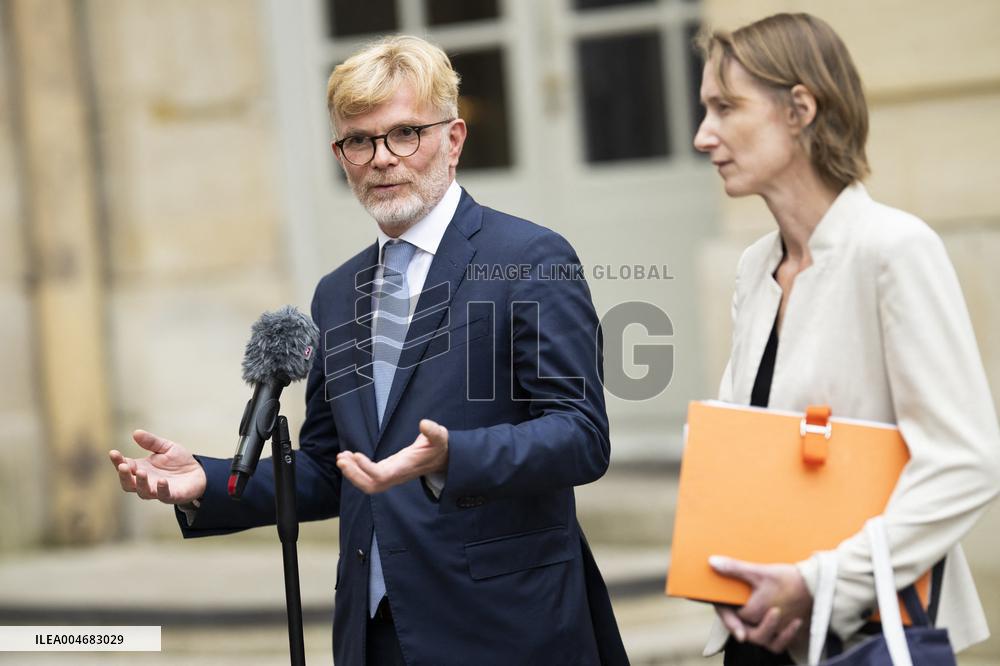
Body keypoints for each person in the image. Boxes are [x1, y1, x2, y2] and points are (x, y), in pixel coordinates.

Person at [108, 35, 628, 666]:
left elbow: (580, 436)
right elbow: (332, 469)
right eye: (359, 140)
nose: (382, 158)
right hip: (374, 630)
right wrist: (207, 481)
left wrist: (450, 456)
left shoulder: (529, 260)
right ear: (341, 154)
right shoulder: (338, 294)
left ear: (454, 139)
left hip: (504, 625)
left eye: (405, 133)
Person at [691, 12, 1000, 665]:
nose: (703, 136)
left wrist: (820, 583)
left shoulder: (894, 250)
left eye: (724, 108)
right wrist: (725, 576)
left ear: (799, 108)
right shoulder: (755, 266)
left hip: (866, 634)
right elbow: (744, 454)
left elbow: (966, 461)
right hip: (760, 632)